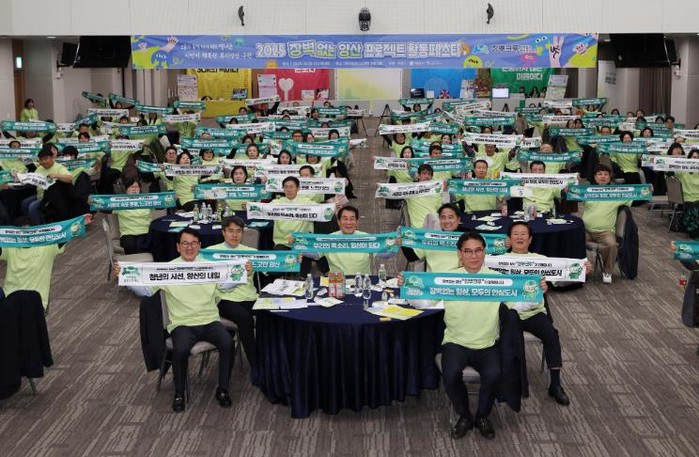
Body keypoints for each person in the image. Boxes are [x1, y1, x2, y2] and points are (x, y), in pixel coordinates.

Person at [115, 228, 236, 412]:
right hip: (182, 324)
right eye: (185, 243)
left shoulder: (211, 267)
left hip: (209, 320)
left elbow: (226, 286)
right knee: (180, 350)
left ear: (199, 246)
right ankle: (179, 393)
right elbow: (146, 291)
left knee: (228, 344)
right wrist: (126, 278)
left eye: (193, 243)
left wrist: (241, 274)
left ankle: (223, 389)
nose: (190, 247)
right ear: (178, 247)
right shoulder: (168, 269)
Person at [504, 221, 591, 406]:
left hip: (534, 312)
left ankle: (555, 384)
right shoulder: (498, 262)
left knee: (552, 335)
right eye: (515, 234)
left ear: (530, 239)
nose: (519, 237)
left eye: (523, 234)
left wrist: (582, 269)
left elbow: (561, 277)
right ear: (509, 240)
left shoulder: (540, 259)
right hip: (509, 314)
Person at [208, 217, 259, 383]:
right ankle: (256, 365)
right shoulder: (210, 253)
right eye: (231, 231)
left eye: (238, 231)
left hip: (249, 296)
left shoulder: (251, 252)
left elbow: (275, 264)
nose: (235, 235)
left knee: (271, 315)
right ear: (223, 232)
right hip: (224, 299)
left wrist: (295, 259)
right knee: (245, 319)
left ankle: (268, 358)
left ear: (243, 234)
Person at [300, 205, 396, 274]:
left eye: (352, 219)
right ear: (338, 222)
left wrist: (395, 244)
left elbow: (385, 255)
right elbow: (315, 253)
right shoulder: (329, 239)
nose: (348, 223)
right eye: (345, 219)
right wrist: (297, 246)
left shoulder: (366, 238)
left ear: (357, 221)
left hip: (362, 282)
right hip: (337, 283)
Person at [0, 216, 65, 311]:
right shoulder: (10, 247)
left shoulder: (47, 247)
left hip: (36, 303)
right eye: (21, 233)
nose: (25, 236)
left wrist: (81, 221)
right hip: (10, 299)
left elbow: (66, 232)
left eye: (29, 232)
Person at [582, 164, 631, 284]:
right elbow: (571, 195)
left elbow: (637, 196)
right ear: (595, 177)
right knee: (571, 239)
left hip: (605, 231)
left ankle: (607, 271)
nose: (603, 176)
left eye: (606, 174)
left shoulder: (617, 193)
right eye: (599, 174)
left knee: (612, 245)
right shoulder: (587, 191)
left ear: (610, 177)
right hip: (586, 230)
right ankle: (579, 269)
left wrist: (648, 191)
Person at [272, 176, 315, 276]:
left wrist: (333, 206)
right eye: (286, 187)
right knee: (276, 266)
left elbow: (320, 210)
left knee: (305, 258)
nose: (289, 190)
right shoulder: (276, 203)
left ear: (298, 188)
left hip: (302, 241)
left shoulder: (307, 202)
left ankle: (303, 278)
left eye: (291, 187)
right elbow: (262, 209)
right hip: (283, 241)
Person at [113, 177, 152, 254]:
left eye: (136, 187)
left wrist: (172, 199)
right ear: (126, 190)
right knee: (130, 246)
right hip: (127, 233)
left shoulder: (147, 201)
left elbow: (162, 205)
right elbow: (105, 208)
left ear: (140, 189)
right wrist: (93, 202)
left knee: (141, 246)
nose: (134, 189)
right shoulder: (120, 202)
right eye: (131, 187)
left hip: (145, 232)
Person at [405, 164, 443, 228]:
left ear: (431, 177)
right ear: (418, 175)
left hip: (435, 227)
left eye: (429, 174)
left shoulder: (437, 192)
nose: (426, 176)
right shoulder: (410, 189)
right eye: (424, 173)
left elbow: (440, 209)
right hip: (419, 228)